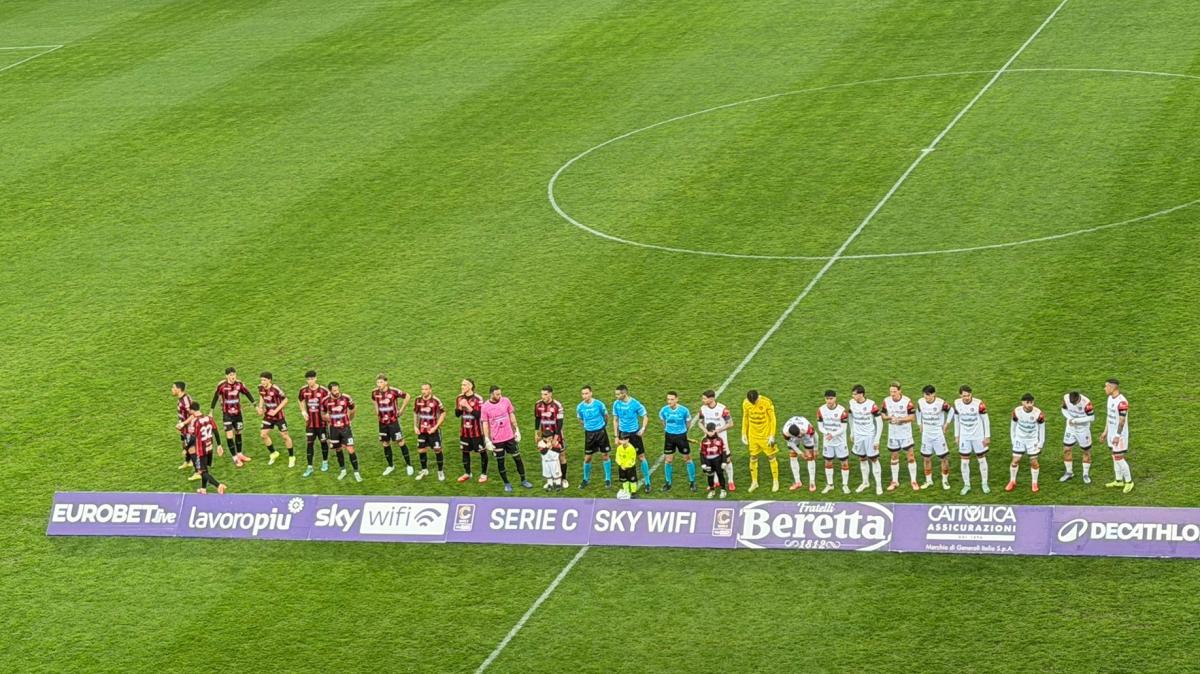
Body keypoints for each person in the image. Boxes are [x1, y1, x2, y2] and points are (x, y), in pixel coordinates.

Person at [481, 385, 532, 492]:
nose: (500, 396)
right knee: (501, 462)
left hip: (509, 437)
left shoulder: (506, 401)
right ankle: (507, 483)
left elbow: (511, 414)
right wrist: (487, 439)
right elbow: (485, 423)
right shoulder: (485, 406)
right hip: (497, 440)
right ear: (491, 394)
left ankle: (523, 480)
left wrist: (516, 429)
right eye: (497, 394)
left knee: (517, 458)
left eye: (500, 393)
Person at [210, 367, 254, 467]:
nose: (233, 376)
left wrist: (254, 404)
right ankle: (235, 458)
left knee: (238, 433)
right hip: (227, 415)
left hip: (238, 414)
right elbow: (215, 397)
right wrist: (211, 411)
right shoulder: (222, 386)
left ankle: (240, 454)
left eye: (234, 374)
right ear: (226, 376)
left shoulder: (239, 384)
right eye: (230, 375)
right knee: (229, 435)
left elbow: (247, 393)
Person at [694, 390, 736, 491]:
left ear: (711, 398)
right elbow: (700, 422)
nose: (702, 400)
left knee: (727, 459)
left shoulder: (722, 409)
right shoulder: (703, 409)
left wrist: (717, 431)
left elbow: (730, 423)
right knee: (712, 459)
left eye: (704, 398)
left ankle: (730, 481)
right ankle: (716, 481)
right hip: (708, 439)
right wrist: (706, 431)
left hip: (721, 439)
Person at [881, 382, 919, 491]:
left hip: (905, 433)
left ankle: (913, 481)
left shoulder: (907, 401)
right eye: (891, 391)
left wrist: (900, 419)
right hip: (893, 434)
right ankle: (894, 481)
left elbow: (912, 417)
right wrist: (889, 417)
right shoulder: (886, 401)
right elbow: (882, 415)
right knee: (894, 457)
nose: (892, 394)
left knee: (911, 456)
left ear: (900, 391)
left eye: (894, 391)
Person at [612, 385, 651, 491]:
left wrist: (642, 429)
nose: (616, 396)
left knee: (641, 457)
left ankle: (647, 482)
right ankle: (626, 482)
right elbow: (615, 420)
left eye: (618, 394)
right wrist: (616, 436)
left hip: (634, 434)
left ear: (624, 393)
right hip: (623, 434)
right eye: (616, 394)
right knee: (623, 456)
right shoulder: (616, 404)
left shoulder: (635, 403)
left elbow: (645, 416)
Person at [953, 385, 990, 495]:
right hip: (965, 436)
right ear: (960, 395)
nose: (967, 397)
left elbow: (986, 420)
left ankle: (984, 483)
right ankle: (967, 484)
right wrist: (957, 435)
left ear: (971, 394)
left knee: (981, 459)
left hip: (978, 436)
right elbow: (956, 420)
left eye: (968, 395)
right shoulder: (957, 403)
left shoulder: (979, 404)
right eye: (964, 396)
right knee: (964, 461)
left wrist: (987, 436)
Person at [371, 374, 410, 477]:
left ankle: (409, 465)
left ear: (386, 382)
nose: (379, 384)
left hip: (393, 422)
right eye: (378, 382)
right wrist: (376, 411)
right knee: (385, 443)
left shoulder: (393, 391)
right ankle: (390, 466)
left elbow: (407, 396)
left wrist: (401, 410)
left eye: (381, 382)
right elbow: (373, 400)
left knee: (400, 442)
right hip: (382, 423)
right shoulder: (374, 392)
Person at [322, 381, 362, 482]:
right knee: (338, 449)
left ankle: (356, 472)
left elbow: (353, 409)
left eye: (337, 389)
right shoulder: (325, 400)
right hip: (334, 429)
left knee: (350, 449)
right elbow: (322, 414)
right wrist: (328, 419)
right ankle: (343, 470)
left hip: (345, 428)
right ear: (330, 391)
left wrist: (350, 419)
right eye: (334, 390)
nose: (337, 391)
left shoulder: (346, 398)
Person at [741, 389, 779, 492]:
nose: (753, 403)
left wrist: (772, 435)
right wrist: (744, 433)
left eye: (755, 401)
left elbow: (772, 419)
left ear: (758, 397)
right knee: (753, 457)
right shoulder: (745, 403)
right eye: (751, 402)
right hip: (753, 435)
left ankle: (775, 481)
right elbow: (745, 417)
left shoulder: (767, 402)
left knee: (771, 456)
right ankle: (754, 482)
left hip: (765, 435)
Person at [916, 385, 952, 490]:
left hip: (938, 434)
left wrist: (946, 424)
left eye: (928, 395)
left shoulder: (941, 403)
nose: (926, 397)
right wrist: (919, 423)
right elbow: (918, 411)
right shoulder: (920, 402)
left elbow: (952, 411)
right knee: (926, 458)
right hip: (926, 434)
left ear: (933, 394)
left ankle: (945, 481)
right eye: (924, 395)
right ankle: (928, 481)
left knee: (943, 458)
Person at [848, 385, 883, 495]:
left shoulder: (871, 404)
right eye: (852, 394)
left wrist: (877, 439)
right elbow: (850, 416)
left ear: (861, 394)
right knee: (862, 458)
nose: (852, 396)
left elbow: (879, 422)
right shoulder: (852, 403)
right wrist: (852, 432)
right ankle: (865, 482)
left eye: (854, 394)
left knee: (873, 459)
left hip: (869, 436)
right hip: (858, 436)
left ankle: (878, 485)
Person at [1007, 393, 1045, 493]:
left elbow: (1042, 429)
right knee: (1015, 461)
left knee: (1034, 462)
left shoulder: (1038, 413)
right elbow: (1013, 427)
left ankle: (1034, 483)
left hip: (1032, 440)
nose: (1029, 405)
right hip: (1019, 439)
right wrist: (1013, 440)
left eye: (1031, 402)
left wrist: (1041, 443)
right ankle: (1012, 481)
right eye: (1027, 402)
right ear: (1022, 402)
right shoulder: (1017, 411)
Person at [1100, 378, 1133, 492]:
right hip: (1111, 434)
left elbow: (1122, 421)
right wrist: (1105, 432)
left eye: (1106, 386)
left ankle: (1129, 481)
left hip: (1119, 436)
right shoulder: (1110, 398)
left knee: (1119, 457)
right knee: (1114, 457)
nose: (1104, 388)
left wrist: (1118, 435)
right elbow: (1109, 417)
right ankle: (1119, 480)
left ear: (1112, 387)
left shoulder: (1122, 402)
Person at [659, 391, 695, 492]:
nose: (669, 401)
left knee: (687, 459)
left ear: (677, 399)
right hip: (669, 437)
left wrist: (684, 433)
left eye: (672, 399)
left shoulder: (684, 410)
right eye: (668, 399)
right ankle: (668, 482)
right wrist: (667, 429)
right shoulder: (664, 410)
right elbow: (663, 421)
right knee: (668, 460)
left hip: (681, 437)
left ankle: (692, 482)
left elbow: (688, 422)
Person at [187, 402, 226, 495]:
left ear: (192, 410)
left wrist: (187, 448)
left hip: (201, 450)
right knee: (205, 469)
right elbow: (216, 431)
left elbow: (193, 437)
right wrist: (219, 445)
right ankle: (203, 489)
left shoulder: (195, 422)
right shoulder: (209, 418)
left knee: (201, 472)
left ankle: (218, 485)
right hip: (210, 448)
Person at [576, 386, 612, 489]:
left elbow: (606, 416)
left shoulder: (599, 404)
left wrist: (603, 426)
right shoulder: (580, 407)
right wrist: (587, 427)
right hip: (589, 434)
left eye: (586, 393)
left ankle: (608, 479)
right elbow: (580, 419)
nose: (585, 396)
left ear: (591, 393)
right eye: (583, 394)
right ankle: (585, 479)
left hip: (601, 432)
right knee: (587, 458)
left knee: (605, 455)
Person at [297, 371, 332, 477]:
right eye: (308, 379)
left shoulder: (324, 391)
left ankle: (325, 462)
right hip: (310, 424)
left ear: (316, 378)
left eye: (312, 379)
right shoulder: (303, 390)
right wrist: (303, 411)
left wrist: (327, 415)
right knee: (309, 444)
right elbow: (300, 400)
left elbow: (331, 402)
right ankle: (309, 467)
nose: (310, 381)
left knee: (323, 442)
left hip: (321, 423)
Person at [256, 372, 293, 466]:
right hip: (268, 416)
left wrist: (276, 411)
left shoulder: (275, 389)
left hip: (279, 416)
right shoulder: (260, 387)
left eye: (264, 380)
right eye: (261, 380)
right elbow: (261, 396)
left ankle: (291, 457)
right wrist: (260, 407)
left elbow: (285, 400)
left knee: (285, 436)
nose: (262, 382)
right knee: (263, 434)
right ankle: (273, 453)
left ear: (269, 380)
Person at [534, 385, 567, 487]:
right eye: (542, 394)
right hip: (544, 436)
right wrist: (536, 433)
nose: (543, 396)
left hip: (557, 434)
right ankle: (551, 479)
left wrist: (556, 438)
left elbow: (560, 423)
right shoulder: (538, 404)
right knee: (546, 455)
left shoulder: (558, 405)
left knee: (561, 456)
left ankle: (564, 479)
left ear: (551, 394)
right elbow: (537, 419)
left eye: (545, 394)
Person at [817, 390, 850, 494]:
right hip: (828, 442)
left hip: (840, 442)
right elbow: (820, 426)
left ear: (835, 398)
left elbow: (844, 428)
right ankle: (830, 484)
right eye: (827, 399)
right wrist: (827, 433)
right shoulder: (821, 410)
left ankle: (845, 485)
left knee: (844, 462)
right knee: (828, 462)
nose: (829, 401)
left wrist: (833, 434)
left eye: (831, 399)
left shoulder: (842, 411)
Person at [455, 378, 488, 483]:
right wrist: (460, 407)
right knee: (465, 452)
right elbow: (457, 415)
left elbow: (480, 416)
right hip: (464, 431)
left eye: (464, 385)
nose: (462, 386)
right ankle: (467, 473)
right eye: (462, 384)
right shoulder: (459, 398)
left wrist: (467, 407)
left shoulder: (478, 398)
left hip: (477, 432)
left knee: (482, 452)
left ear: (470, 386)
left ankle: (483, 474)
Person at [412, 383, 446, 481]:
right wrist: (415, 426)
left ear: (430, 390)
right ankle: (424, 469)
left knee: (437, 450)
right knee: (421, 450)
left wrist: (436, 427)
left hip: (433, 431)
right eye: (422, 389)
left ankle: (440, 471)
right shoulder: (418, 400)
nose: (424, 391)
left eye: (426, 389)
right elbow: (415, 412)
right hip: (422, 430)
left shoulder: (436, 401)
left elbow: (443, 413)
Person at [1060, 390, 1095, 483]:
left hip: (1083, 430)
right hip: (1070, 428)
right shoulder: (1066, 398)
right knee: (1066, 449)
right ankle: (1069, 472)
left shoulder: (1086, 403)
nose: (1074, 405)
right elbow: (1063, 409)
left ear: (1079, 398)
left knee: (1086, 451)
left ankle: (1085, 474)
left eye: (1075, 403)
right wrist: (1070, 418)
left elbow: (1092, 417)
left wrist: (1076, 421)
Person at [781, 415, 816, 492]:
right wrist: (800, 453)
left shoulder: (807, 427)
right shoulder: (785, 432)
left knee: (810, 456)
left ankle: (812, 482)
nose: (800, 436)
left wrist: (816, 449)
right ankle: (797, 482)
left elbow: (815, 436)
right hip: (793, 438)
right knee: (792, 455)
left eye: (799, 434)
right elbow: (790, 443)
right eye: (798, 436)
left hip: (806, 435)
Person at [173, 381, 201, 473]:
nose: (172, 390)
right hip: (184, 428)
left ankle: (198, 471)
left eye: (173, 388)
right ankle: (187, 462)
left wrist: (183, 423)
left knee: (191, 448)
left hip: (189, 428)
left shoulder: (185, 400)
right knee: (184, 444)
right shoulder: (181, 398)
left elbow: (193, 414)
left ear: (179, 389)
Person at [699, 422, 727, 499]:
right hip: (708, 461)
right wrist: (703, 463)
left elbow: (724, 451)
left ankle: (723, 490)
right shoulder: (704, 440)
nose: (711, 433)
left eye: (712, 431)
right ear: (706, 431)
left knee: (720, 475)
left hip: (717, 460)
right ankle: (712, 490)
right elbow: (701, 453)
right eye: (709, 431)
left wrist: (724, 461)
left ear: (715, 430)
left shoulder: (719, 440)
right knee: (710, 476)